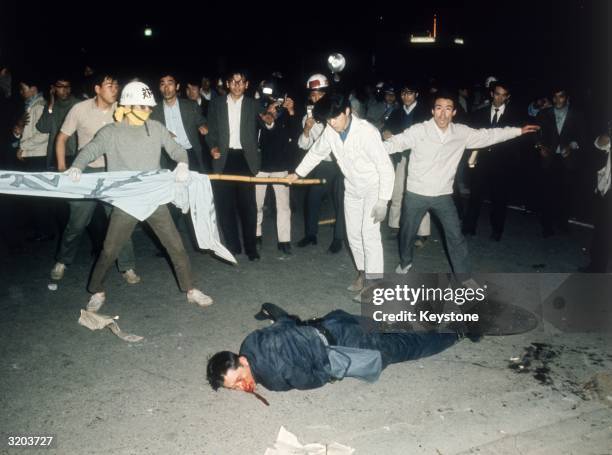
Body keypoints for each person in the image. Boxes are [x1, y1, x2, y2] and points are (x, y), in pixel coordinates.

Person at [65, 81, 213, 311]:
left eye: (149, 107)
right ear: (129, 106)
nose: (148, 111)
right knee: (109, 250)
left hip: (153, 198)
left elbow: (177, 150)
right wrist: (77, 167)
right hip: (126, 201)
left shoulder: (155, 128)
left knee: (175, 245)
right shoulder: (110, 132)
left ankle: (191, 289)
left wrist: (182, 163)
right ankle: (96, 290)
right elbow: (89, 151)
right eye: (143, 107)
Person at [384, 91, 539, 274]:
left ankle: (463, 275)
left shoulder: (461, 133)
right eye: (439, 108)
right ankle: (405, 262)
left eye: (448, 109)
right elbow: (393, 143)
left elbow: (490, 135)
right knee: (407, 233)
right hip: (416, 193)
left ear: (454, 112)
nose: (443, 114)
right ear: (433, 111)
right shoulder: (419, 130)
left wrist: (518, 131)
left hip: (443, 195)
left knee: (455, 236)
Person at [206, 303, 473, 393]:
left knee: (407, 346)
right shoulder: (250, 342)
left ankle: (459, 330)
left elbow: (313, 379)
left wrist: (333, 373)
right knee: (391, 323)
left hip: (347, 344)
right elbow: (286, 323)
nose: (244, 386)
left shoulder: (272, 379)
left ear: (243, 362)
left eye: (240, 379)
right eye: (236, 387)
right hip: (335, 323)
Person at [288, 92, 395, 295]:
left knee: (369, 234)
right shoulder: (330, 131)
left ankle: (374, 283)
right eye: (328, 119)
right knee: (353, 235)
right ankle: (363, 273)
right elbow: (316, 153)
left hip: (374, 187)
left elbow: (385, 167)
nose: (332, 123)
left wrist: (383, 200)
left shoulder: (367, 132)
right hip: (352, 187)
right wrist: (298, 173)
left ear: (347, 111)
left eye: (335, 117)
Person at [51, 73, 139, 283]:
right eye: (110, 85)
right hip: (85, 173)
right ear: (97, 89)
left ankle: (127, 267)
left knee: (120, 220)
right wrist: (63, 167)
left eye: (117, 85)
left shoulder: (123, 110)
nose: (115, 89)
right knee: (77, 223)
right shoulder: (79, 109)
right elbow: (62, 138)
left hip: (113, 171)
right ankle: (63, 261)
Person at [206, 71, 261, 261]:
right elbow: (210, 130)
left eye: (241, 82)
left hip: (245, 159)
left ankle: (251, 248)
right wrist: (212, 147)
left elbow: (266, 123)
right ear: (228, 84)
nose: (237, 85)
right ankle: (232, 247)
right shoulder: (216, 104)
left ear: (246, 84)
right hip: (224, 158)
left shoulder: (254, 104)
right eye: (233, 82)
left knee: (248, 207)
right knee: (224, 206)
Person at [462, 81, 525, 241]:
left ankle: (497, 230)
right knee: (475, 196)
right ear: (491, 94)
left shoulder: (515, 115)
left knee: (499, 199)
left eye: (504, 95)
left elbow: (517, 141)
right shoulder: (479, 113)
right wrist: (472, 157)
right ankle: (469, 227)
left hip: (502, 164)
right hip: (481, 162)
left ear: (507, 97)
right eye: (497, 94)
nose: (500, 98)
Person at [296, 73, 346, 254]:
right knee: (313, 197)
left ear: (327, 94)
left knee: (341, 199)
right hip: (324, 164)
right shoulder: (308, 117)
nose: (315, 97)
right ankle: (311, 234)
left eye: (319, 94)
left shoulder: (337, 112)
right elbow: (304, 145)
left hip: (342, 164)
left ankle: (338, 238)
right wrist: (307, 129)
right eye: (313, 94)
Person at [383, 81, 430, 243]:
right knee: (397, 192)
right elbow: (387, 129)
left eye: (410, 93)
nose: (406, 96)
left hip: (420, 158)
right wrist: (386, 132)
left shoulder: (425, 113)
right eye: (403, 93)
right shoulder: (396, 112)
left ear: (416, 94)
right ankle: (395, 226)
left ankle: (422, 233)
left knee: (420, 194)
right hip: (401, 157)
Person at [535, 87, 584, 237]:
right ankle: (546, 226)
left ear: (567, 98)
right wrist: (539, 146)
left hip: (566, 159)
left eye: (561, 97)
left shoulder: (576, 115)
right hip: (549, 158)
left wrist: (571, 146)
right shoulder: (544, 113)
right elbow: (535, 133)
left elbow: (582, 136)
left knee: (566, 193)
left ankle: (563, 222)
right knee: (547, 193)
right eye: (555, 97)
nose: (557, 100)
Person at [256, 88, 300, 255]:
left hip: (281, 167)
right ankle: (256, 235)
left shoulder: (288, 116)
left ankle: (284, 240)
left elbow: (297, 135)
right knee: (257, 204)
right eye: (274, 102)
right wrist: (268, 114)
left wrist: (290, 110)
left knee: (283, 206)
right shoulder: (260, 115)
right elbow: (261, 130)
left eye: (280, 102)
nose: (277, 105)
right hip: (260, 167)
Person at [151, 73, 208, 172]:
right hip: (168, 157)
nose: (166, 88)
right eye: (162, 84)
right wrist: (163, 134)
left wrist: (202, 125)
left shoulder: (191, 106)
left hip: (190, 154)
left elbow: (202, 122)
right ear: (159, 88)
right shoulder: (154, 111)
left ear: (177, 86)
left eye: (170, 84)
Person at [580, 130, 611, 272]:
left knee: (604, 229)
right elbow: (599, 144)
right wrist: (603, 139)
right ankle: (596, 265)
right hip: (607, 188)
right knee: (602, 228)